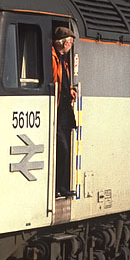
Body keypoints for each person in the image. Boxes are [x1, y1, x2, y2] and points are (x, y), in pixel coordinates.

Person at [52, 25, 78, 198]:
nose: (71, 45)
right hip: (57, 110)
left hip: (63, 110)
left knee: (64, 148)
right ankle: (59, 186)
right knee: (62, 148)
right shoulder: (53, 58)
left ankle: (61, 185)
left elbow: (62, 81)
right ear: (64, 42)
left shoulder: (62, 59)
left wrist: (70, 89)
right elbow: (54, 80)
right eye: (70, 42)